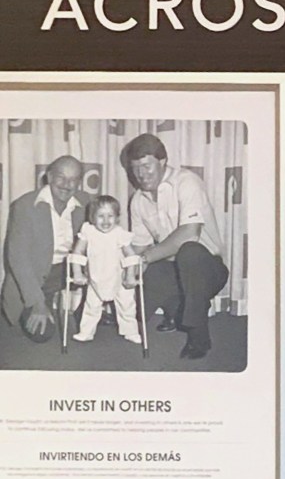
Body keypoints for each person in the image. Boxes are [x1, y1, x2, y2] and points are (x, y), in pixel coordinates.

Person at [124, 132, 229, 360]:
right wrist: (130, 271)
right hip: (172, 269)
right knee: (136, 305)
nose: (141, 174)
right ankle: (175, 311)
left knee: (189, 253)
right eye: (136, 168)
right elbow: (140, 248)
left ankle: (198, 335)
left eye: (147, 166)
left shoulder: (186, 181)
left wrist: (146, 258)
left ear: (162, 162)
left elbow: (190, 234)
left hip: (207, 267)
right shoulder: (137, 201)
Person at [1, 155, 87, 341]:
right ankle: (43, 301)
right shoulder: (25, 206)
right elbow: (18, 259)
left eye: (73, 179)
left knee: (88, 325)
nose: (66, 184)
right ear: (48, 176)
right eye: (61, 177)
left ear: (79, 182)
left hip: (72, 270)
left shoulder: (86, 203)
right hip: (37, 277)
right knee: (42, 333)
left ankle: (86, 310)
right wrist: (36, 302)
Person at [70, 195, 141, 345]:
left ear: (117, 218)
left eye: (110, 216)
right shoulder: (88, 231)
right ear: (92, 217)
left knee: (126, 306)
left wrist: (130, 276)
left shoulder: (120, 234)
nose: (106, 221)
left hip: (119, 277)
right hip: (96, 277)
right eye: (101, 216)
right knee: (91, 306)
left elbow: (131, 255)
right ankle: (86, 332)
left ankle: (131, 331)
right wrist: (77, 273)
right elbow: (77, 252)